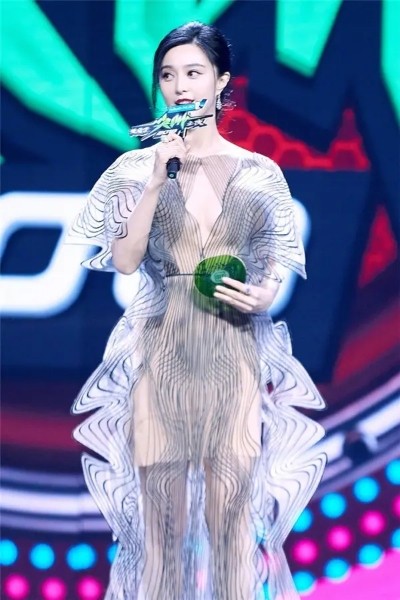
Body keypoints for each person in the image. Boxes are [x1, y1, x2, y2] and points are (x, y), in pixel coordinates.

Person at [68, 21, 326, 600]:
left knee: (233, 526)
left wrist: (263, 294)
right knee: (160, 531)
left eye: (193, 72)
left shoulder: (259, 173)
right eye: (168, 75)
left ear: (220, 81)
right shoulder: (134, 170)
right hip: (160, 353)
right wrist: (155, 179)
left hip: (233, 356)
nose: (180, 86)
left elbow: (275, 265)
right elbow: (125, 261)